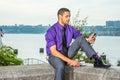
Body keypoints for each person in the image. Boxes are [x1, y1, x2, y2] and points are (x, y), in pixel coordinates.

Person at [45, 8, 111, 80]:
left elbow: (81, 40)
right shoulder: (51, 31)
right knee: (60, 66)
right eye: (66, 16)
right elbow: (53, 51)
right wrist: (71, 61)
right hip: (55, 56)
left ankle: (97, 60)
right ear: (60, 16)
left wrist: (88, 41)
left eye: (69, 16)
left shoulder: (70, 28)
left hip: (67, 53)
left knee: (81, 38)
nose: (69, 18)